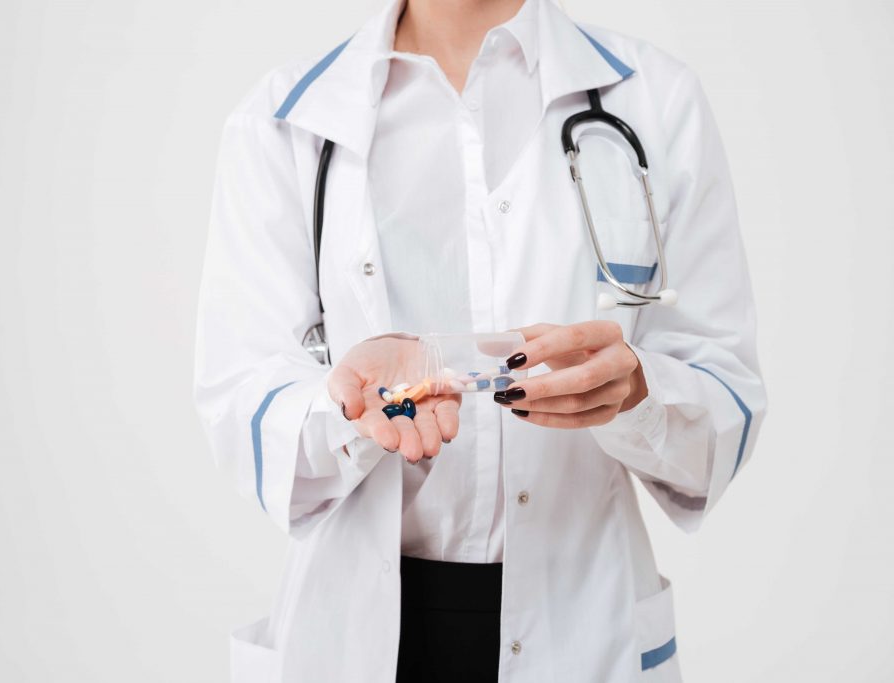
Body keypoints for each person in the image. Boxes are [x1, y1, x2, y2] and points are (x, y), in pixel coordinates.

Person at [193, 0, 767, 680]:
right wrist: (349, 408)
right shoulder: (286, 120)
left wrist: (635, 395)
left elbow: (724, 411)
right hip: (359, 634)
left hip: (582, 626)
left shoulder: (654, 100)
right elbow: (242, 409)